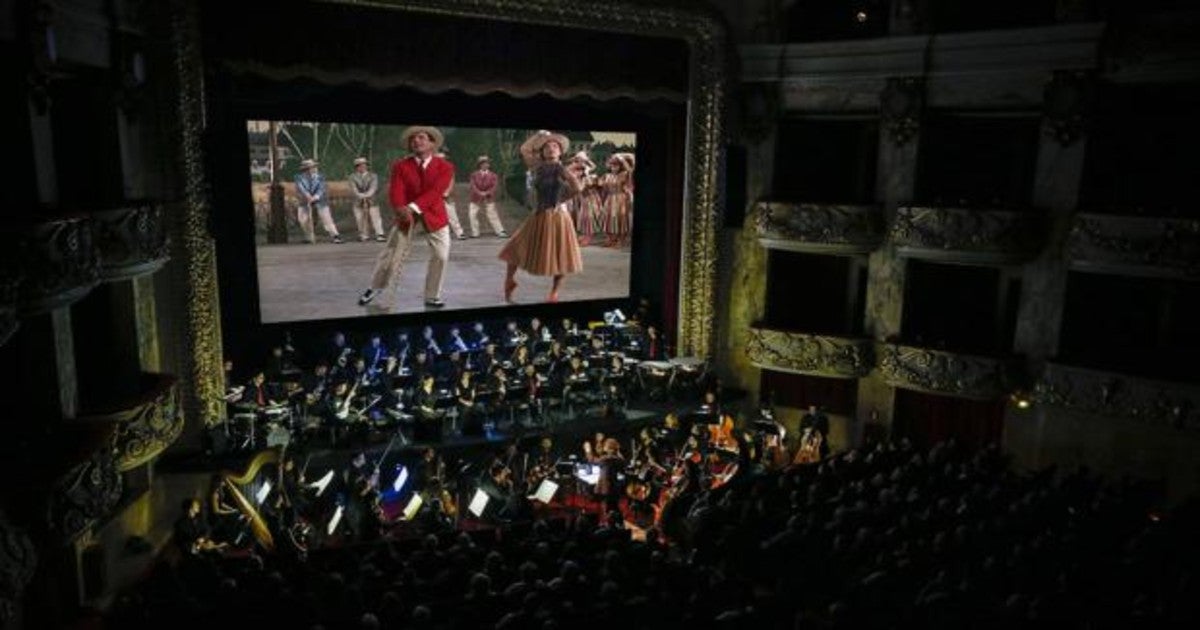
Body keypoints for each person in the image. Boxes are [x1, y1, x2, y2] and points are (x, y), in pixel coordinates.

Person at [358, 125, 454, 309]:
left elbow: (436, 192)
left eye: (421, 137)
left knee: (441, 256)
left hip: (434, 215)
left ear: (432, 144)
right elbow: (396, 191)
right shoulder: (401, 166)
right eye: (413, 139)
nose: (416, 141)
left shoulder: (445, 166)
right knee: (391, 253)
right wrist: (401, 209)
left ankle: (432, 296)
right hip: (405, 215)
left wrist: (413, 207)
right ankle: (375, 287)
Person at [499, 130, 584, 303]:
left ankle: (554, 293)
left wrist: (561, 200)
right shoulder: (537, 166)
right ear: (542, 152)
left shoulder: (562, 169)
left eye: (555, 146)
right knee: (514, 248)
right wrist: (539, 136)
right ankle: (509, 281)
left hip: (559, 217)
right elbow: (524, 149)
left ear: (560, 152)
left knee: (563, 256)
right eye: (547, 147)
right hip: (539, 215)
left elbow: (577, 189)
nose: (551, 148)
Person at [294, 159, 343, 244]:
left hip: (320, 200)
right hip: (304, 200)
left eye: (314, 167)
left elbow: (322, 188)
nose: (314, 169)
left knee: (326, 218)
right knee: (303, 219)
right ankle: (309, 236)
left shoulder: (320, 177)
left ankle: (335, 235)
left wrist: (316, 197)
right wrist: (308, 196)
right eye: (312, 167)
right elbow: (301, 188)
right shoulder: (299, 178)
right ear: (306, 169)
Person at [568, 150, 603, 246]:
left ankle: (588, 236)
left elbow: (592, 169)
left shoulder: (589, 176)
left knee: (589, 216)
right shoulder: (575, 173)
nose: (578, 172)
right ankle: (583, 234)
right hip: (582, 198)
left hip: (590, 198)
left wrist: (585, 161)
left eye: (580, 170)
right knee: (582, 217)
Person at [600, 152, 634, 248]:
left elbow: (630, 170)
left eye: (616, 165)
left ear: (620, 166)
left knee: (620, 218)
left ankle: (620, 240)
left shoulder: (624, 174)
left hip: (621, 198)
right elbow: (604, 189)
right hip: (610, 198)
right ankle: (611, 238)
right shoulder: (608, 176)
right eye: (612, 165)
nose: (613, 168)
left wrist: (622, 158)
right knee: (609, 218)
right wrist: (603, 200)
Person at [468, 155, 507, 238]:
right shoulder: (474, 175)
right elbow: (472, 185)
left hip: (488, 197)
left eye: (486, 163)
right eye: (483, 163)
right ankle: (475, 232)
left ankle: (500, 231)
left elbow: (494, 186)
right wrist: (479, 193)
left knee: (492, 214)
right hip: (475, 197)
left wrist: (487, 193)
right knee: (472, 214)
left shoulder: (493, 175)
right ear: (479, 165)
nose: (485, 165)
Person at [349, 157, 386, 242]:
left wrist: (367, 195)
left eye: (364, 165)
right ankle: (364, 234)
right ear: (356, 167)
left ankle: (380, 234)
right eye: (359, 165)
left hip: (372, 200)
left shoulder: (373, 176)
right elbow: (353, 189)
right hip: (358, 201)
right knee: (360, 218)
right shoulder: (352, 177)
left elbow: (374, 187)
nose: (362, 167)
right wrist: (360, 196)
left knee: (375, 217)